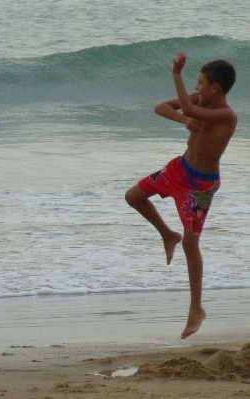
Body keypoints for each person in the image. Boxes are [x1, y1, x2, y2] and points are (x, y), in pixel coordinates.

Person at [125, 51, 237, 339]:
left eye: (199, 83)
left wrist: (175, 74)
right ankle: (166, 234)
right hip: (179, 169)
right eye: (195, 83)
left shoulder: (226, 116)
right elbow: (161, 107)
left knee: (191, 244)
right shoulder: (199, 101)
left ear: (215, 88)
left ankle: (196, 309)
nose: (196, 88)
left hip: (200, 187)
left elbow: (188, 109)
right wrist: (182, 122)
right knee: (133, 196)